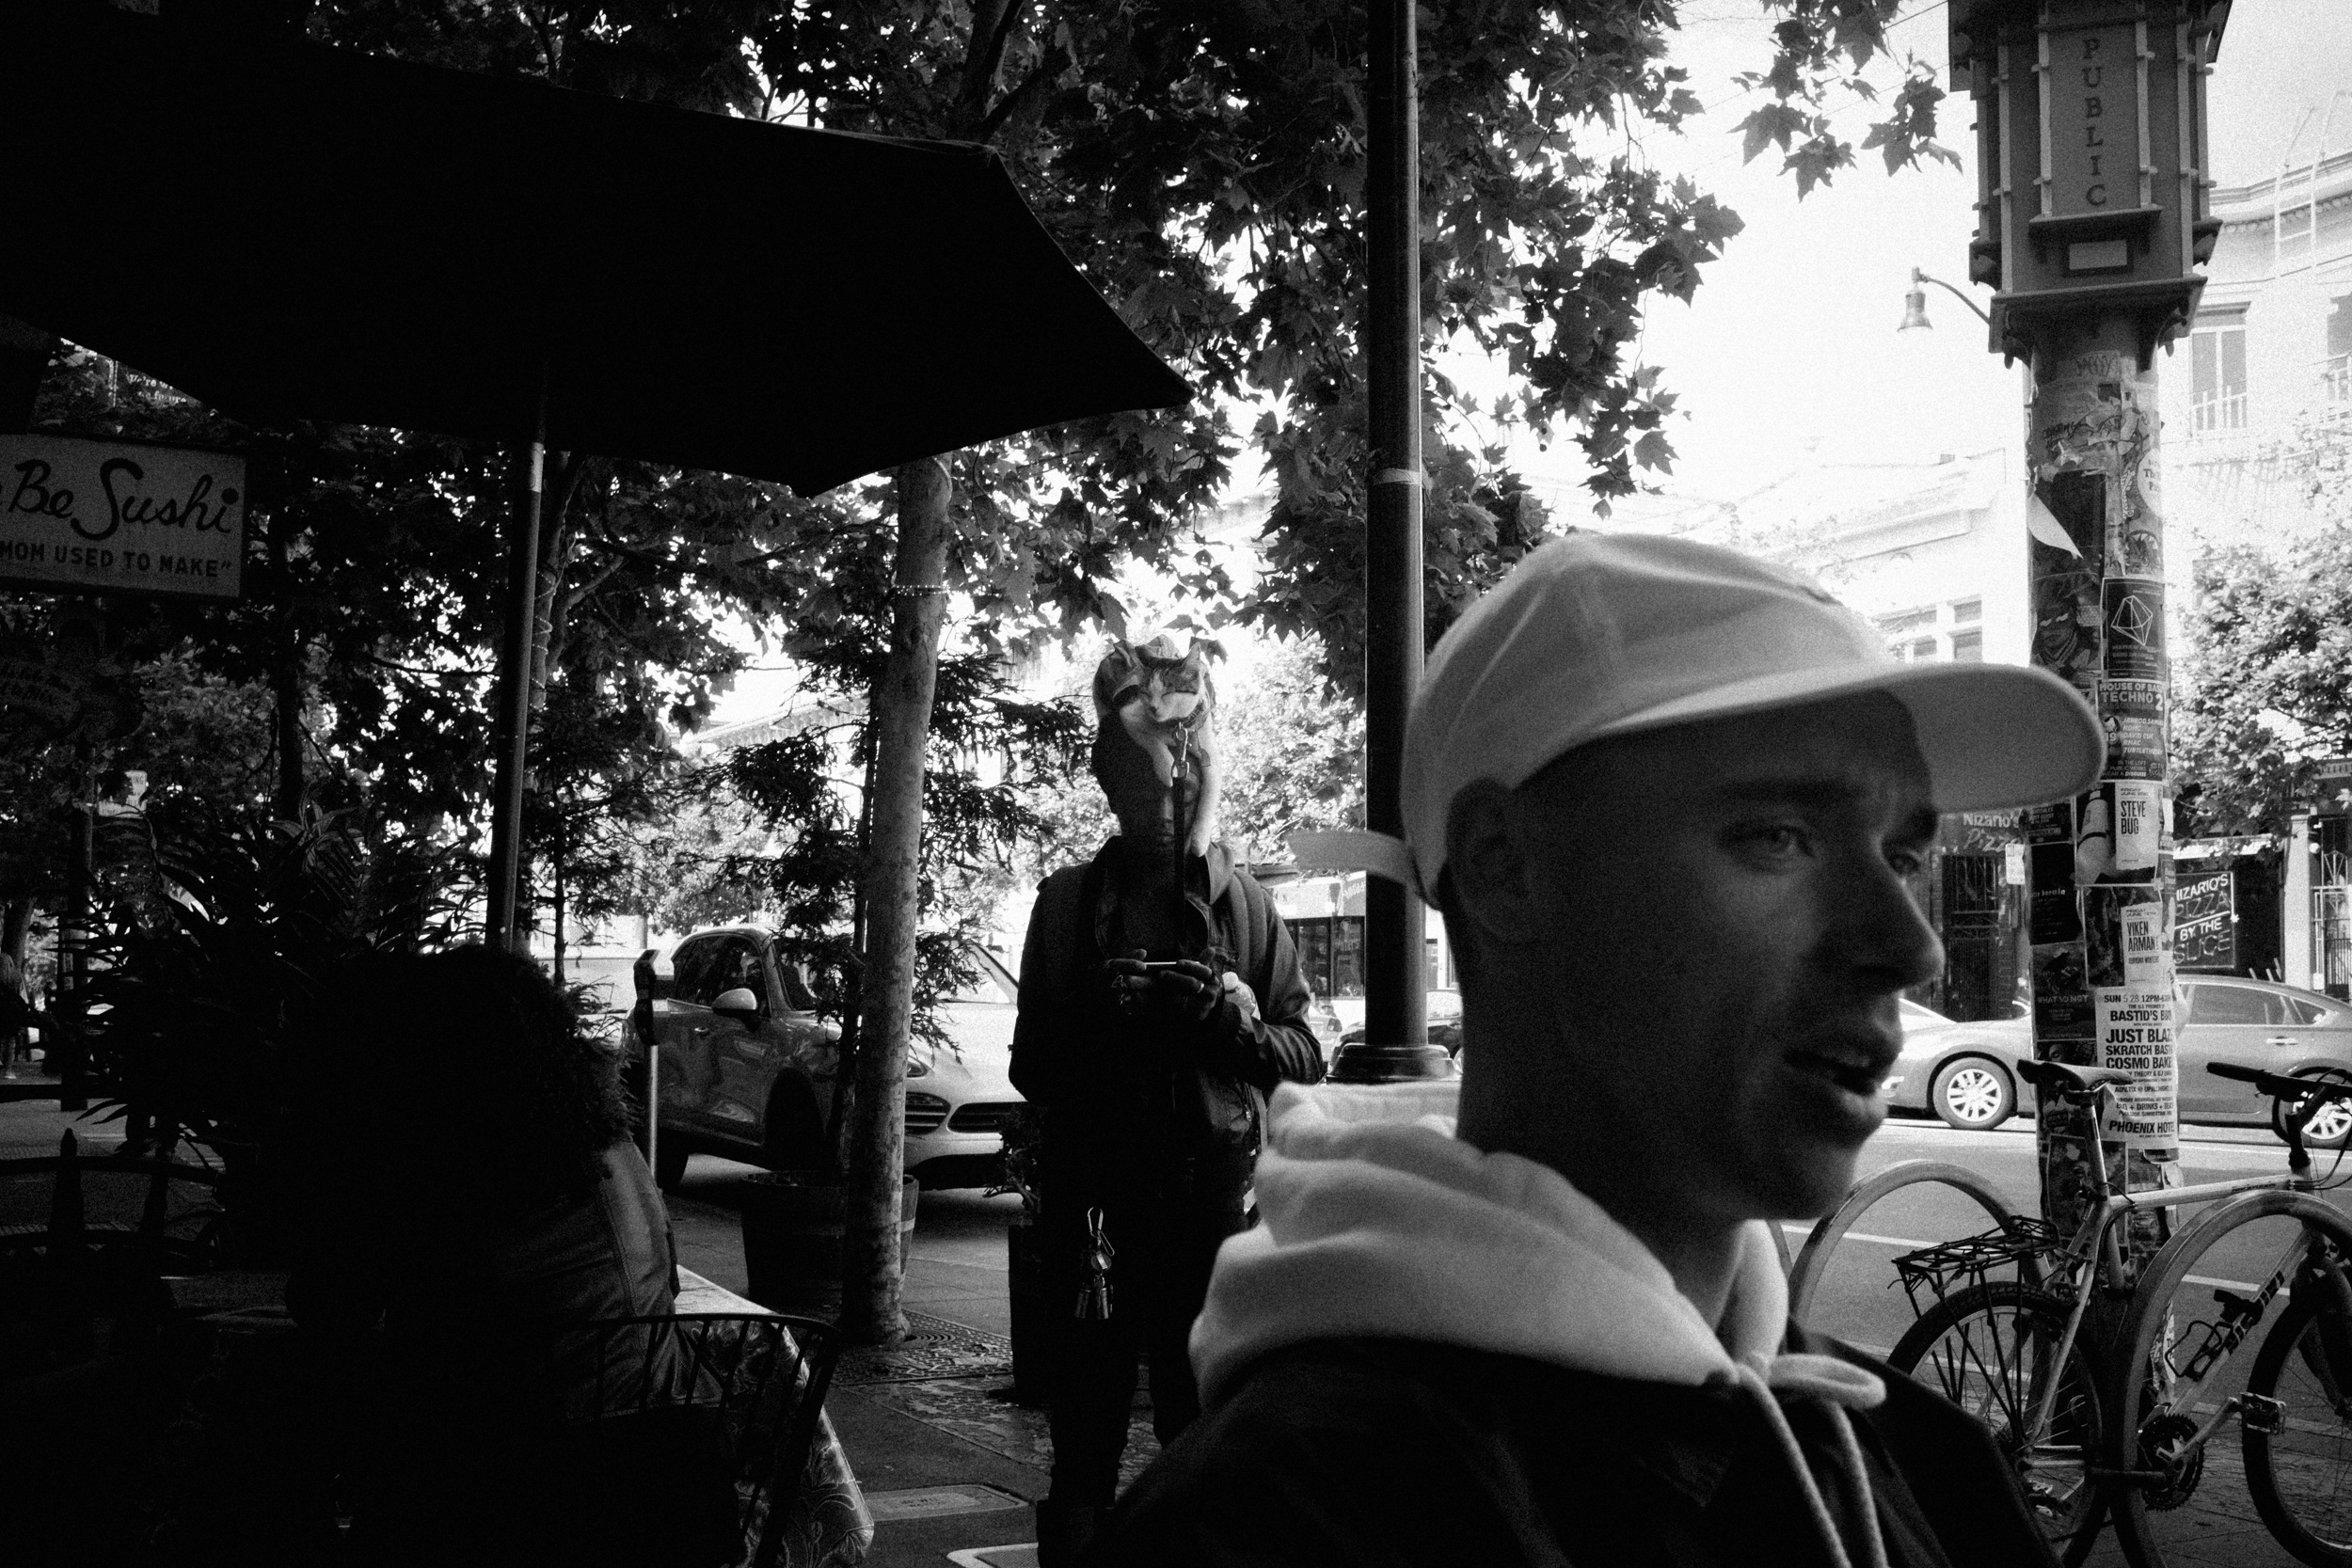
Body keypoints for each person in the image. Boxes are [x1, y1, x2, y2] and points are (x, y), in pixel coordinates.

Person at [1088, 534, 2106, 1567]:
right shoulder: (1266, 1524)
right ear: (1503, 865)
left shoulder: (1925, 1460)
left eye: (1903, 855)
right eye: (1777, 835)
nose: (1912, 944)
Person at [1011, 634, 1327, 1565]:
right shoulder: (1067, 904)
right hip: (1095, 1219)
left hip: (1211, 1218)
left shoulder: (1246, 907)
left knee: (1203, 1438)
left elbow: (1303, 1056)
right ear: (1107, 782)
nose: (1162, 802)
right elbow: (1031, 1067)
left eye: (1179, 780)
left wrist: (1225, 1025)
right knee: (1084, 1439)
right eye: (1141, 783)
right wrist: (1099, 1018)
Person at [282, 945, 734, 1568]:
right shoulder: (608, 1143)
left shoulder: (464, 1168)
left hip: (529, 1491)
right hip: (674, 1480)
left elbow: (331, 1304)